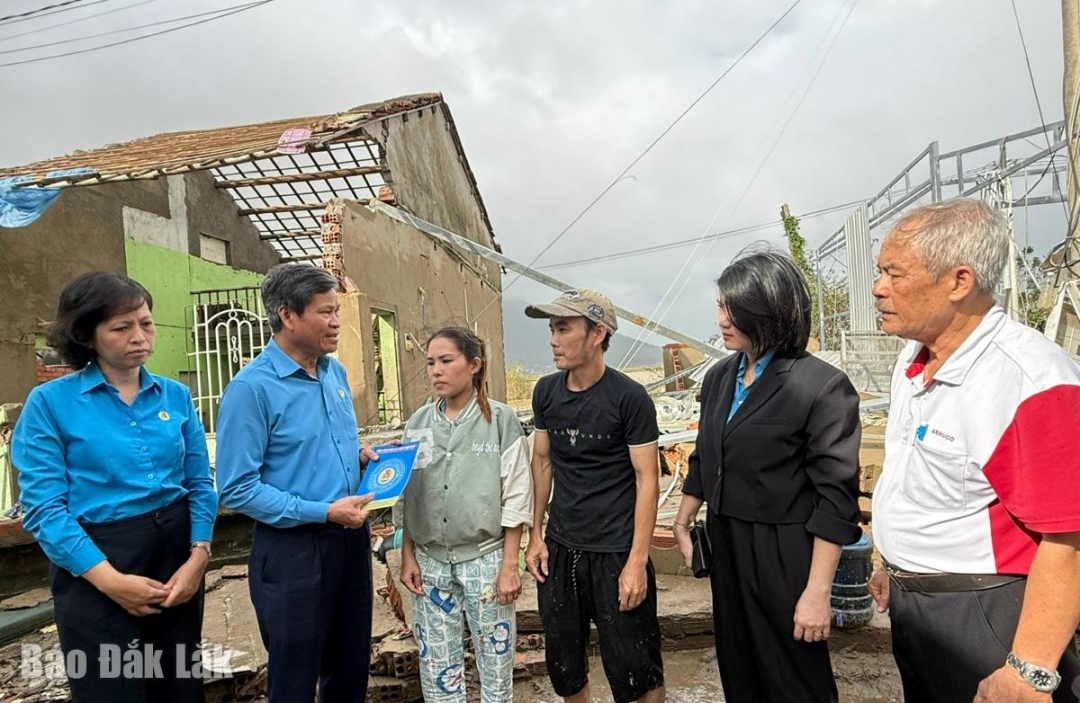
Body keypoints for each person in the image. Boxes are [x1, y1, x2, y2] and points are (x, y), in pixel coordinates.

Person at [865, 198, 1080, 703]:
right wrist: (891, 562)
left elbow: (1068, 538)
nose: (878, 288)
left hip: (987, 612)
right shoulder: (912, 360)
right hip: (917, 605)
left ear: (959, 282)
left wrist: (1029, 670)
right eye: (879, 272)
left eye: (894, 274)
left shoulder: (1030, 382)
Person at [12, 271, 216, 703]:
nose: (139, 336)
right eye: (122, 327)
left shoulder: (175, 395)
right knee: (111, 688)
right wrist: (109, 581)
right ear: (87, 335)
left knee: (179, 684)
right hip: (96, 563)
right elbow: (44, 508)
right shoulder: (50, 404)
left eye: (146, 322)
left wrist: (199, 555)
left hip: (176, 558)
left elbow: (199, 481)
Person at [670, 250, 862, 703]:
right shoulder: (720, 377)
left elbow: (836, 499)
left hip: (784, 548)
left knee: (792, 674)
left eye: (734, 309)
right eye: (720, 306)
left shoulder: (820, 386)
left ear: (772, 311)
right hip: (726, 542)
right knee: (739, 665)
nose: (722, 319)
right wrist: (682, 520)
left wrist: (818, 592)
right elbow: (706, 455)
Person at [215, 264, 378, 703]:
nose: (336, 321)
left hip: (349, 542)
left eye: (337, 311)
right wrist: (322, 511)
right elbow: (235, 487)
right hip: (293, 553)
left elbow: (319, 447)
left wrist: (358, 457)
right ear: (287, 316)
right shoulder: (251, 390)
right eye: (325, 312)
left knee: (349, 671)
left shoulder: (334, 374)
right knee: (294, 678)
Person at [523, 289, 665, 703]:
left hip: (616, 551)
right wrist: (536, 535)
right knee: (565, 663)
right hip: (562, 548)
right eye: (551, 329)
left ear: (598, 332)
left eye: (563, 328)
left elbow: (647, 479)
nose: (553, 339)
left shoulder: (629, 398)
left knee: (636, 667)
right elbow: (543, 462)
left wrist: (637, 561)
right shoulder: (546, 392)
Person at [396, 326, 533, 702]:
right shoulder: (418, 425)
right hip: (430, 563)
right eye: (430, 363)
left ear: (474, 365)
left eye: (446, 361)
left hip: (485, 561)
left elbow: (518, 493)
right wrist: (407, 554)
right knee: (438, 665)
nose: (435, 371)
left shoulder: (500, 421)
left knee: (495, 665)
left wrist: (510, 566)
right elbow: (409, 494)